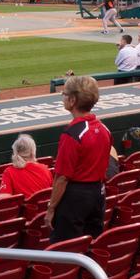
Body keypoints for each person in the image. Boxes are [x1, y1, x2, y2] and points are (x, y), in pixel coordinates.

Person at [46, 76, 111, 242]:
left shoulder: (72, 134)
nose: (63, 97)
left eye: (65, 94)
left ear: (73, 100)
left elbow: (62, 177)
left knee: (66, 246)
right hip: (98, 193)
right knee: (91, 243)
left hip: (75, 198)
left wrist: (51, 208)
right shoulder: (104, 129)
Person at [0, 134, 53, 199]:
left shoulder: (9, 172)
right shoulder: (45, 169)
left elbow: (4, 199)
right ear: (33, 152)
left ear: (15, 151)